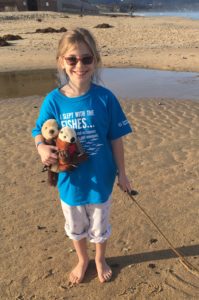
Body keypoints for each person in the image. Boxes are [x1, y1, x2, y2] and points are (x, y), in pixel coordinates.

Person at [32, 28, 132, 284]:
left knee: (99, 226)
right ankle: (82, 258)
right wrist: (42, 148)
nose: (80, 65)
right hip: (70, 180)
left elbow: (115, 138)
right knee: (75, 226)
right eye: (72, 59)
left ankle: (99, 258)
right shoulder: (53, 100)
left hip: (101, 177)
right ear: (61, 62)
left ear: (95, 60)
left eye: (87, 59)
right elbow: (39, 131)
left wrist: (123, 174)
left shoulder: (105, 98)